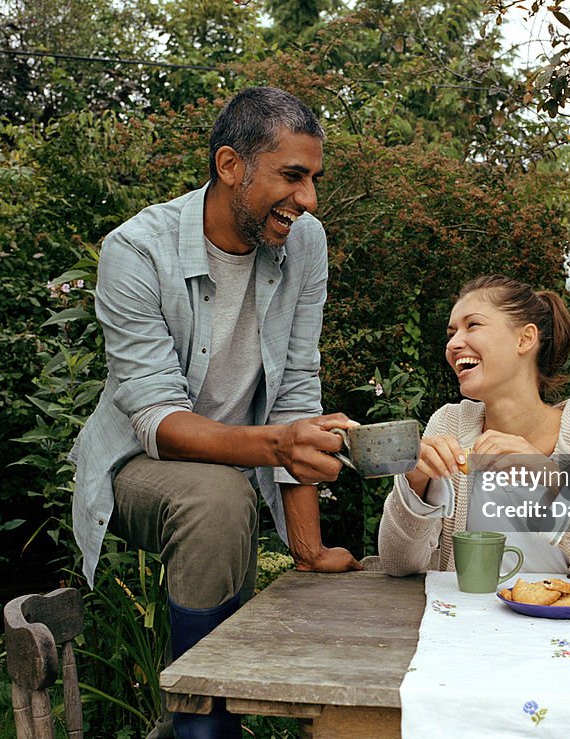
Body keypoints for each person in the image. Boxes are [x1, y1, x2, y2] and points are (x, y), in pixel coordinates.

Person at [70, 87, 361, 738]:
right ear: (231, 165)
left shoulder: (303, 243)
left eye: (314, 179)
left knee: (225, 490)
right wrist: (279, 446)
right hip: (136, 463)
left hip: (239, 459)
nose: (309, 199)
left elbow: (295, 394)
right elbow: (154, 417)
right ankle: (203, 722)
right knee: (219, 498)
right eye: (292, 176)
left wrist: (308, 548)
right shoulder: (137, 250)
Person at [378, 275, 570, 601]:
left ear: (525, 339)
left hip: (569, 636)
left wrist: (555, 480)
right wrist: (415, 485)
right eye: (452, 332)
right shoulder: (449, 423)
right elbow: (398, 564)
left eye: (472, 326)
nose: (454, 343)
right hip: (464, 632)